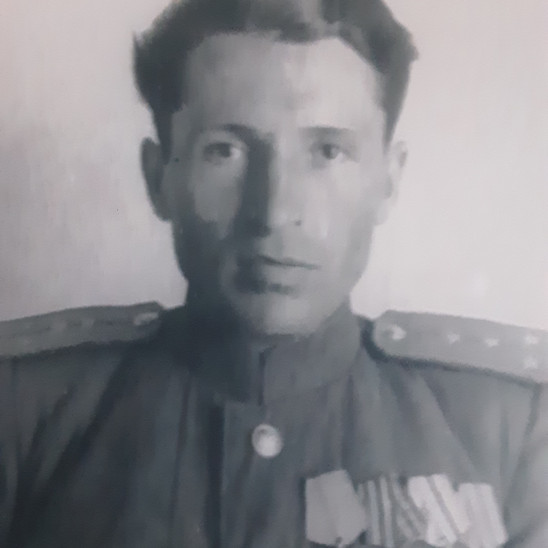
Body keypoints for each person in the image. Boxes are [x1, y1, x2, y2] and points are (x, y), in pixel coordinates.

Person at [0, 0, 546, 546]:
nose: (275, 210)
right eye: (225, 151)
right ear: (159, 178)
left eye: (328, 151)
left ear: (389, 181)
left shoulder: (510, 426)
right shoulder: (25, 408)